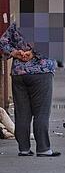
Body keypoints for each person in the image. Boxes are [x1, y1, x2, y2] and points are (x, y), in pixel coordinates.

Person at [0, 23, 60, 157]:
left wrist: (15, 53)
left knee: (22, 112)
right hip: (41, 72)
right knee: (41, 112)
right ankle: (43, 148)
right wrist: (33, 54)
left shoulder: (17, 24)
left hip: (19, 73)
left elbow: (3, 42)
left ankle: (24, 148)